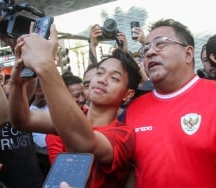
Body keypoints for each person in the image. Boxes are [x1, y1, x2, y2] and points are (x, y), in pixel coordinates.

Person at [125, 18, 216, 187]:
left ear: (188, 54)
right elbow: (135, 175)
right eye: (146, 48)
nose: (150, 52)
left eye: (160, 44)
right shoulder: (134, 109)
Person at [9, 25, 142, 187]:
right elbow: (22, 120)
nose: (101, 79)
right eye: (99, 73)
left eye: (114, 78)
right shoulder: (76, 115)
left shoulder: (123, 135)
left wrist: (46, 64)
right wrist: (17, 83)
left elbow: (85, 142)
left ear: (128, 94)